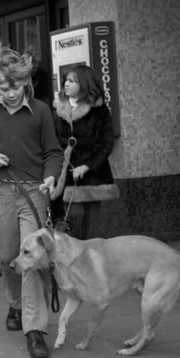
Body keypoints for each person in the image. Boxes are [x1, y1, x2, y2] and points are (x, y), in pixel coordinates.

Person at [0, 38, 63, 358]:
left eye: (16, 85)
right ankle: (15, 304)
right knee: (8, 257)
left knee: (32, 259)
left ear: (26, 81)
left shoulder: (41, 111)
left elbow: (53, 151)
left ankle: (34, 329)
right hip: (2, 192)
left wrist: (50, 175)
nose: (10, 92)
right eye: (3, 88)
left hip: (34, 192)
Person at [52, 64, 115, 239]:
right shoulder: (58, 109)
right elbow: (51, 141)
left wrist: (87, 166)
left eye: (72, 81)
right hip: (64, 175)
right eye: (66, 80)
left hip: (92, 175)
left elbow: (106, 143)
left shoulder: (99, 110)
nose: (66, 84)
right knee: (70, 221)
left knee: (91, 224)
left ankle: (91, 262)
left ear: (84, 84)